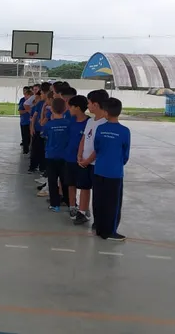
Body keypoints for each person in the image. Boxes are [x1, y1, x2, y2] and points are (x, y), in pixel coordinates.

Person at [92, 97, 130, 241]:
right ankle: (111, 231)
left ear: (106, 112)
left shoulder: (100, 128)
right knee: (113, 204)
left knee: (99, 200)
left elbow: (97, 147)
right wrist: (118, 163)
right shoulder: (124, 131)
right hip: (114, 173)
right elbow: (126, 154)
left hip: (99, 169)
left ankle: (99, 228)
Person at [77, 89, 110, 227]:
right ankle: (83, 212)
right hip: (84, 161)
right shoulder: (90, 121)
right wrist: (80, 155)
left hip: (95, 163)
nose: (88, 106)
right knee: (84, 187)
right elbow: (85, 137)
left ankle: (99, 218)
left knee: (98, 192)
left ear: (96, 105)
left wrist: (88, 160)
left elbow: (99, 146)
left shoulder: (105, 123)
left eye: (89, 103)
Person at [63, 95, 89, 221]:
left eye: (71, 107)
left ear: (78, 108)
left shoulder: (89, 123)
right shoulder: (71, 121)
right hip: (69, 158)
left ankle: (84, 208)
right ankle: (72, 206)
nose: (69, 109)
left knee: (84, 186)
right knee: (71, 184)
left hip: (83, 160)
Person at [42, 98, 70, 212]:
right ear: (65, 109)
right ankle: (69, 202)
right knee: (65, 181)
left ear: (52, 109)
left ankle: (55, 204)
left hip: (51, 156)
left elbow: (44, 136)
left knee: (52, 181)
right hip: (64, 156)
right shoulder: (68, 124)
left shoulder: (49, 125)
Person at [19, 88, 33, 155]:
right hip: (24, 121)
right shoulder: (22, 101)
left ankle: (30, 149)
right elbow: (20, 111)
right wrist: (27, 110)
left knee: (30, 137)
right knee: (25, 136)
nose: (26, 97)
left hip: (31, 122)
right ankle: (25, 150)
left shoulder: (34, 102)